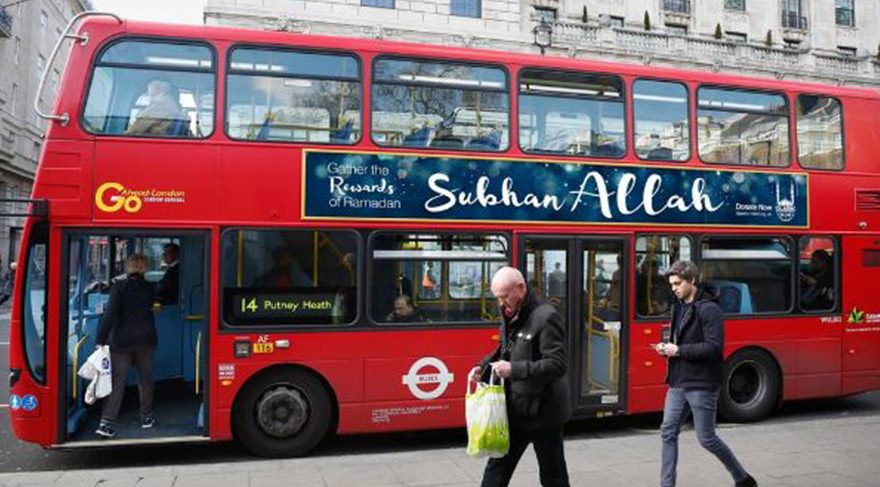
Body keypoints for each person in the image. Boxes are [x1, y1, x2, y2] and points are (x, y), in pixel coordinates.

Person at [654, 260, 757, 487]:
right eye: (671, 284)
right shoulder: (678, 305)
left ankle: (743, 478)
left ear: (692, 281)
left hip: (702, 383)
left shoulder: (710, 310)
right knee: (668, 432)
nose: (674, 288)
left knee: (707, 438)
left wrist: (678, 350)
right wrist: (667, 349)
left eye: (678, 283)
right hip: (679, 380)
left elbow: (713, 348)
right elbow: (679, 339)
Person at [469, 266, 571, 487]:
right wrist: (482, 366)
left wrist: (513, 369)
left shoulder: (547, 316)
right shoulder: (509, 312)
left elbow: (557, 364)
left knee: (553, 476)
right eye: (497, 298)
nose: (501, 303)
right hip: (515, 409)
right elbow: (505, 348)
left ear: (520, 288)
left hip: (544, 414)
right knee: (495, 471)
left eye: (504, 297)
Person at [95, 254, 159, 438]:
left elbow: (110, 315)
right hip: (145, 339)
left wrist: (100, 340)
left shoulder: (119, 287)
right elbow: (155, 304)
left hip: (121, 340)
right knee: (145, 380)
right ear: (145, 267)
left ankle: (107, 423)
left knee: (117, 381)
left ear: (129, 267)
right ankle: (146, 417)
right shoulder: (150, 288)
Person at [126, 79, 190, 136]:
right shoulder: (172, 103)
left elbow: (138, 128)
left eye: (150, 85)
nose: (148, 87)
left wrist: (125, 133)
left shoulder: (159, 104)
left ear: (157, 87)